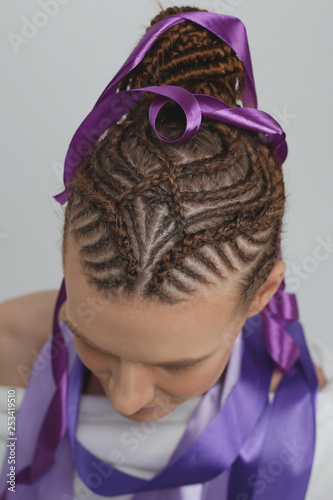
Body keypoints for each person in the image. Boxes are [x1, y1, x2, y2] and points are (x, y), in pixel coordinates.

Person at [0, 5, 332, 500]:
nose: (126, 399)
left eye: (177, 366)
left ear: (262, 293)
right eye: (90, 337)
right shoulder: (7, 354)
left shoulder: (305, 421)